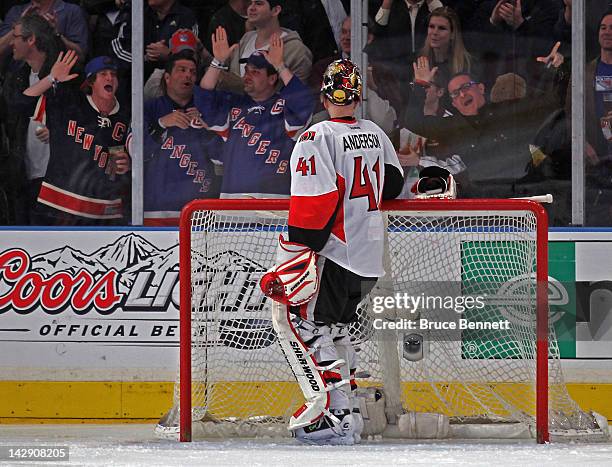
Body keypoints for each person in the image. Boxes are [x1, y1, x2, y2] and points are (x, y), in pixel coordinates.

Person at [260, 59, 404, 445]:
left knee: (304, 324)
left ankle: (334, 414)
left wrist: (298, 250)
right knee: (339, 328)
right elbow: (392, 183)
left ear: (325, 95)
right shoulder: (375, 132)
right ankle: (351, 415)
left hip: (336, 253)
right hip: (369, 258)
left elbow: (313, 206)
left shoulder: (316, 137)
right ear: (357, 96)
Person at [15, 52, 131, 225]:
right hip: (58, 208)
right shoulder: (69, 103)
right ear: (91, 82)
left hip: (104, 214)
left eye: (113, 75)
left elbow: (132, 159)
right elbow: (21, 102)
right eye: (103, 74)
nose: (110, 78)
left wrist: (128, 164)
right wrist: (51, 78)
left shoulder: (125, 115)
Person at [199, 27, 313, 197]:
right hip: (234, 207)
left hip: (275, 205)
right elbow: (204, 98)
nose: (247, 76)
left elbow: (303, 103)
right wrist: (218, 61)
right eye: (246, 71)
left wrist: (280, 66)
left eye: (255, 72)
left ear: (272, 78)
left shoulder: (284, 106)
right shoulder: (234, 104)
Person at [143, 50, 220, 226]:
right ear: (167, 78)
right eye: (182, 70)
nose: (188, 75)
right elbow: (136, 152)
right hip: (157, 210)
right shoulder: (150, 109)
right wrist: (161, 124)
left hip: (199, 211)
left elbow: (223, 159)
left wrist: (206, 128)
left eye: (193, 72)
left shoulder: (207, 110)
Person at [1, 14, 63, 225]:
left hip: (57, 177)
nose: (11, 42)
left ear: (31, 40)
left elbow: (81, 116)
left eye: (16, 37)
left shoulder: (66, 72)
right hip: (22, 173)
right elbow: (15, 105)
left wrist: (58, 131)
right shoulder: (16, 76)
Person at [217, 0, 313, 94]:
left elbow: (298, 96)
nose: (251, 8)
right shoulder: (246, 39)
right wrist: (203, 53)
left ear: (275, 10)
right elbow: (223, 74)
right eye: (250, 3)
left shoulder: (296, 50)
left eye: (258, 3)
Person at [111, 0, 199, 81]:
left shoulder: (186, 17)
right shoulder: (138, 12)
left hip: (172, 86)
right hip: (135, 85)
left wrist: (169, 55)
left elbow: (192, 58)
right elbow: (118, 50)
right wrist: (145, 58)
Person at [0, 0, 89, 60]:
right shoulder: (16, 11)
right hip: (17, 79)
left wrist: (55, 34)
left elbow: (80, 56)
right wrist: (20, 26)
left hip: (57, 77)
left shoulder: (72, 11)